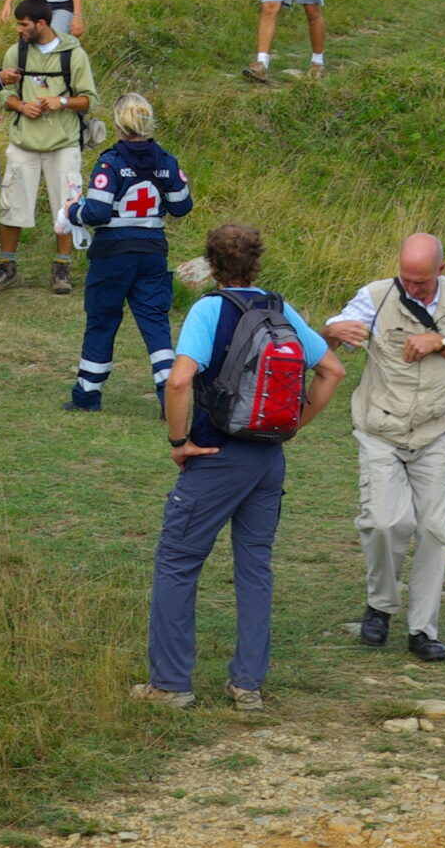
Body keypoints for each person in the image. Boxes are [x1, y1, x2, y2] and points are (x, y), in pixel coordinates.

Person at [137, 223, 347, 712]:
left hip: (215, 455)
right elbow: (332, 370)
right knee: (255, 568)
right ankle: (247, 685)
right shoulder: (280, 310)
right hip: (268, 459)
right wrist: (293, 424)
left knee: (177, 561)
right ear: (257, 263)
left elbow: (179, 381)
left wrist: (179, 441)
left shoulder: (209, 309)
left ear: (210, 266)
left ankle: (169, 685)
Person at [324, 234, 445, 664]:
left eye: (421, 281)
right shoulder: (375, 297)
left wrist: (442, 342)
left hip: (436, 430)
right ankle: (380, 604)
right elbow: (325, 344)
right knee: (385, 522)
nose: (412, 288)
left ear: (442, 268)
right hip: (380, 428)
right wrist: (330, 331)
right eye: (406, 279)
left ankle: (423, 630)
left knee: (434, 530)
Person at [62, 92, 191, 409]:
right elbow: (181, 206)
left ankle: (87, 395)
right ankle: (169, 400)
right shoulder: (166, 160)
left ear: (118, 124)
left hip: (113, 255)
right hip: (152, 252)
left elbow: (97, 214)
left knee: (102, 320)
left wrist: (71, 212)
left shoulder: (111, 162)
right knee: (155, 324)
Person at [0, 0, 96, 296]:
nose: (18, 29)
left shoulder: (74, 55)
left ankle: (62, 268)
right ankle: (7, 267)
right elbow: (3, 95)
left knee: (67, 207)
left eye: (23, 24)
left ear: (41, 24)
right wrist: (21, 106)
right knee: (12, 205)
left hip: (63, 144)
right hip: (24, 143)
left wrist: (60, 102)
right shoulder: (14, 54)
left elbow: (89, 99)